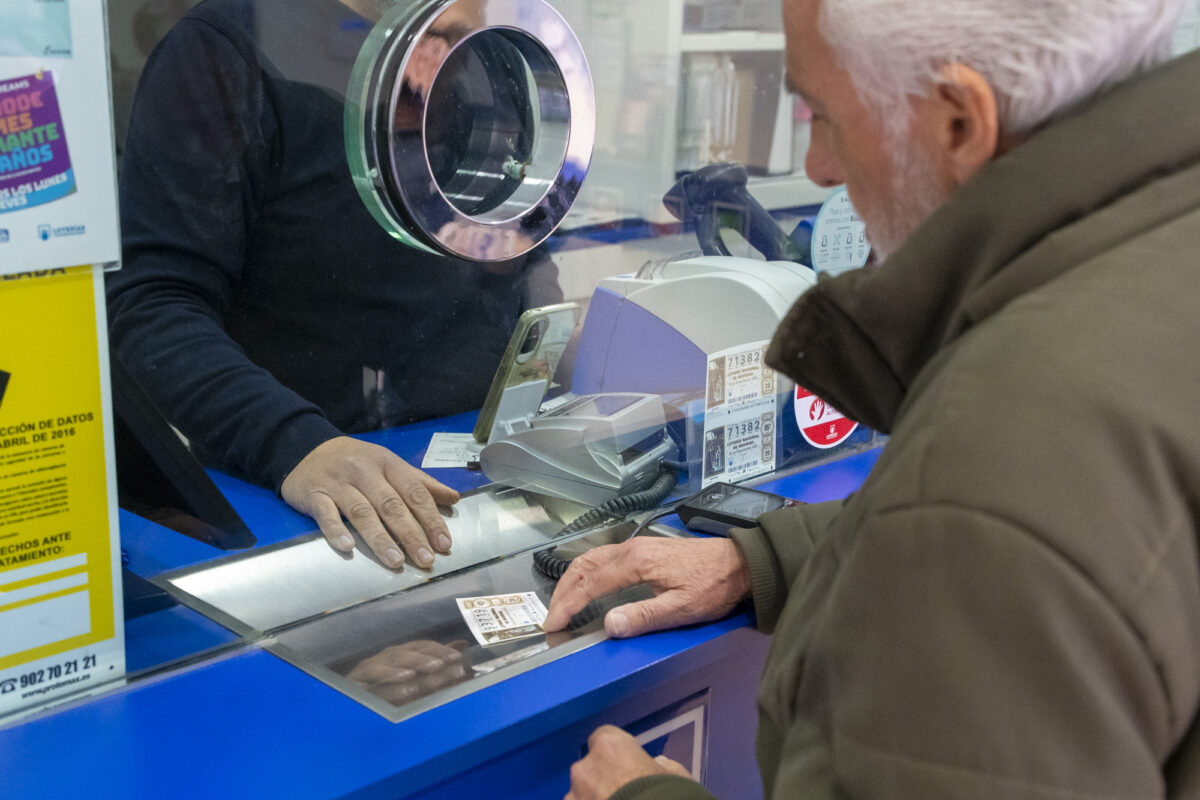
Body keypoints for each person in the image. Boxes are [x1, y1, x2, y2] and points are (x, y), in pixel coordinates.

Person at [546, 0, 1200, 797]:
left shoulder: (990, 459)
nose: (818, 166)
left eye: (823, 113)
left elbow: (994, 523)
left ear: (959, 122)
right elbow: (1070, 534)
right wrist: (762, 558)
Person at [107, 0, 561, 570]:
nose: (432, 61)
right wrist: (292, 442)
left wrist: (550, 329)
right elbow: (153, 306)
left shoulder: (479, 58)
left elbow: (506, 250)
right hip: (297, 488)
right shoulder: (228, 53)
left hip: (467, 472)